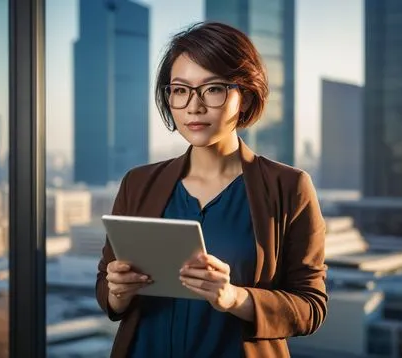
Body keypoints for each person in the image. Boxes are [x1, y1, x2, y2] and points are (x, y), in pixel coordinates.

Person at [96, 21, 327, 358]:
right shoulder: (139, 182)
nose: (194, 106)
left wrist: (234, 298)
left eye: (213, 89)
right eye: (179, 89)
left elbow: (311, 307)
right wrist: (118, 290)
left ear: (245, 97)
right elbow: (107, 289)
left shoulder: (288, 187)